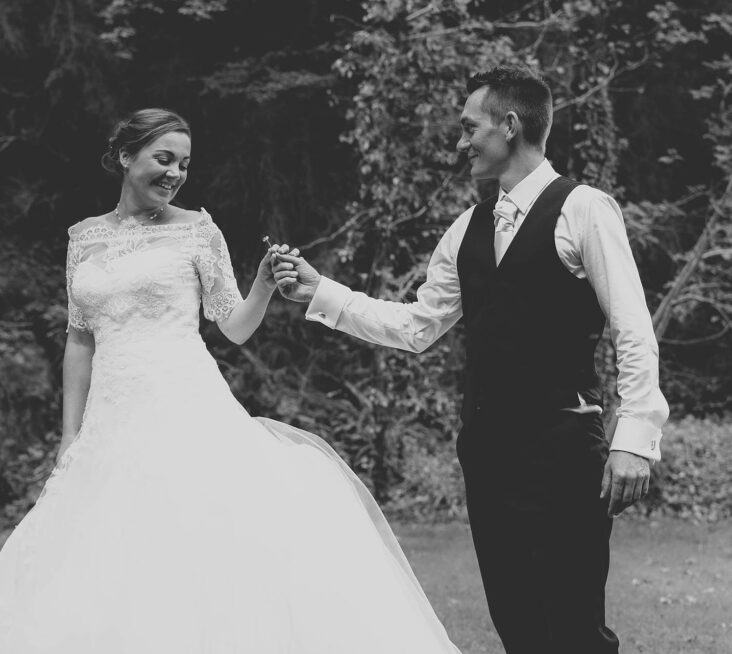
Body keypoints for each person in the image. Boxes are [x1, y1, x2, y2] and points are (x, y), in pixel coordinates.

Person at [0, 108, 460, 653]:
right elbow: (80, 339)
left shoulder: (198, 230)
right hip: (110, 416)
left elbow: (234, 328)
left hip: (184, 404)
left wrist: (263, 284)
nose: (174, 174)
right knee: (101, 542)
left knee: (193, 534)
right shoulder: (84, 238)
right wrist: (68, 436)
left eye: (184, 164)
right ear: (125, 157)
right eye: (163, 159)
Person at [271, 65, 669, 654]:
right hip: (487, 450)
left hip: (563, 444)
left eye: (468, 127)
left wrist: (635, 435)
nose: (460, 142)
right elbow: (415, 326)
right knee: (517, 622)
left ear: (508, 126)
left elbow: (633, 328)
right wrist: (320, 292)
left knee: (574, 626)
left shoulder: (584, 209)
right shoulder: (465, 229)